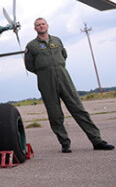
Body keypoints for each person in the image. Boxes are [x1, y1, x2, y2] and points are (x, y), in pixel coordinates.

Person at [24, 17, 114, 153]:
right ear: (35, 28)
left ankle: (97, 140)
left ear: (47, 25)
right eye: (38, 25)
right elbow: (29, 66)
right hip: (46, 81)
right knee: (55, 114)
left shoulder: (57, 40)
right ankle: (65, 143)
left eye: (43, 24)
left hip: (64, 78)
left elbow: (64, 56)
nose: (41, 26)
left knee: (79, 109)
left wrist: (56, 68)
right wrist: (44, 71)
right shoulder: (31, 46)